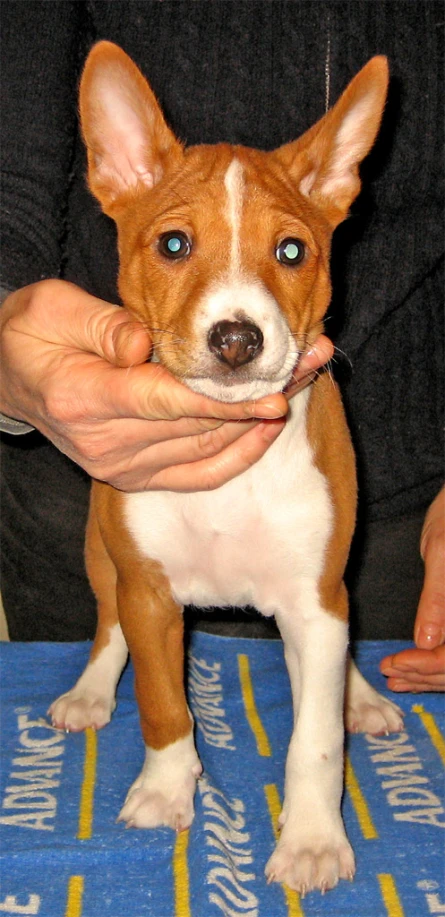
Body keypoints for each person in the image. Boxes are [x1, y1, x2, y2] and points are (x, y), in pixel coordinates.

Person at [1, 1, 443, 693]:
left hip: (390, 497)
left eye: (290, 249)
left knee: (328, 630)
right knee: (120, 609)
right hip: (97, 436)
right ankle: (108, 656)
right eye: (176, 243)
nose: (235, 326)